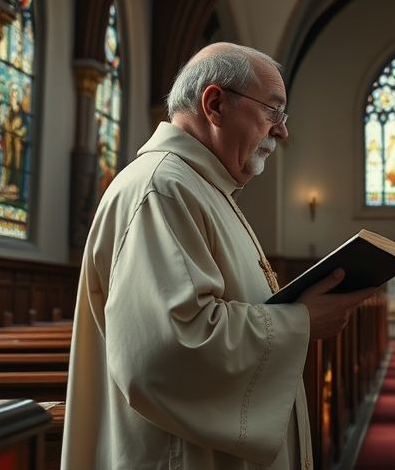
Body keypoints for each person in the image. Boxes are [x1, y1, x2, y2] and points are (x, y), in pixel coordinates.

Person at [63, 43, 377, 469]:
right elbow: (167, 351)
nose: (282, 132)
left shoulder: (201, 188)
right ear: (214, 104)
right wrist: (301, 321)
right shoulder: (162, 189)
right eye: (273, 111)